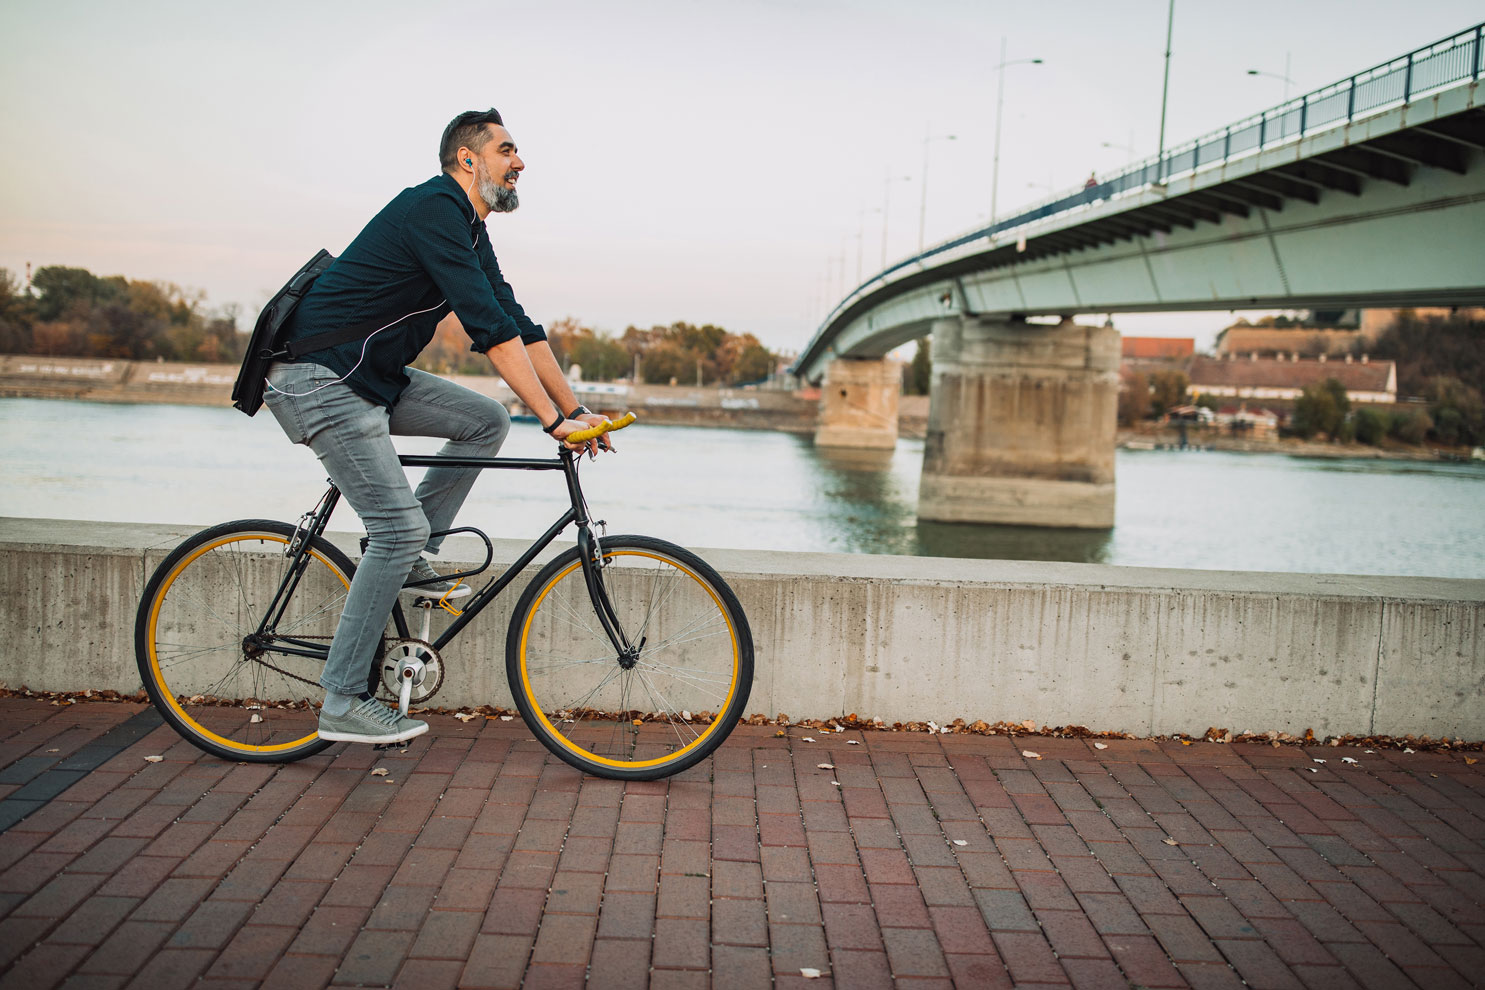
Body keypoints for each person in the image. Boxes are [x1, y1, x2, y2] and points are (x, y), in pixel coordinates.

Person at [261, 108, 611, 746]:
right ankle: (342, 699)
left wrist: (574, 408)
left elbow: (515, 322)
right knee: (396, 528)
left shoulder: (470, 226)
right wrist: (551, 420)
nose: (521, 162)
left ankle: (411, 558)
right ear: (468, 160)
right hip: (321, 378)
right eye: (507, 150)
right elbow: (489, 329)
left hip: (367, 377)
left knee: (483, 420)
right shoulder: (433, 209)